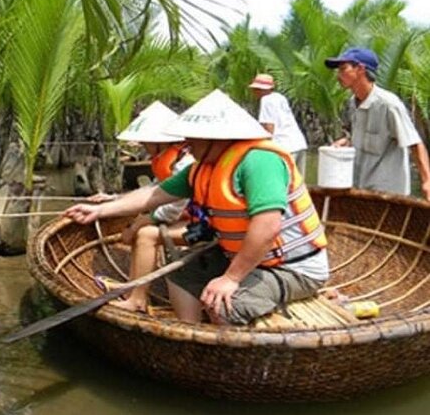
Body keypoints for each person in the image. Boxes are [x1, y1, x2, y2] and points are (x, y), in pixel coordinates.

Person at [65, 90, 329, 325]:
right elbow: (154, 194)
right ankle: (192, 334)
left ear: (219, 137)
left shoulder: (259, 162)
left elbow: (267, 226)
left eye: (194, 137)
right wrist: (101, 210)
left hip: (292, 267)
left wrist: (231, 279)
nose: (187, 142)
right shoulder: (202, 167)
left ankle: (229, 352)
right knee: (181, 273)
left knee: (225, 304)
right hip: (246, 258)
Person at [92, 101, 194, 312]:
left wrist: (140, 222)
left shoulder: (185, 162)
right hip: (189, 217)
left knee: (145, 234)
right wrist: (114, 199)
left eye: (146, 141)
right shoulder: (171, 159)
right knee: (141, 227)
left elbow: (174, 206)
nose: (143, 145)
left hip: (200, 222)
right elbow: (155, 191)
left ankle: (137, 299)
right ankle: (132, 288)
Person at [324, 47, 430, 200]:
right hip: (360, 187)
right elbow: (359, 136)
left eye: (343, 69)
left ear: (360, 69)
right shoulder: (352, 104)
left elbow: (414, 143)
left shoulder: (388, 105)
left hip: (388, 194)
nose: (338, 75)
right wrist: (345, 142)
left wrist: (427, 181)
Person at [248, 74, 308, 176]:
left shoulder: (266, 100)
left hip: (284, 146)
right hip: (299, 143)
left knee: (284, 181)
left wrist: (263, 147)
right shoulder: (280, 97)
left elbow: (269, 127)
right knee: (299, 183)